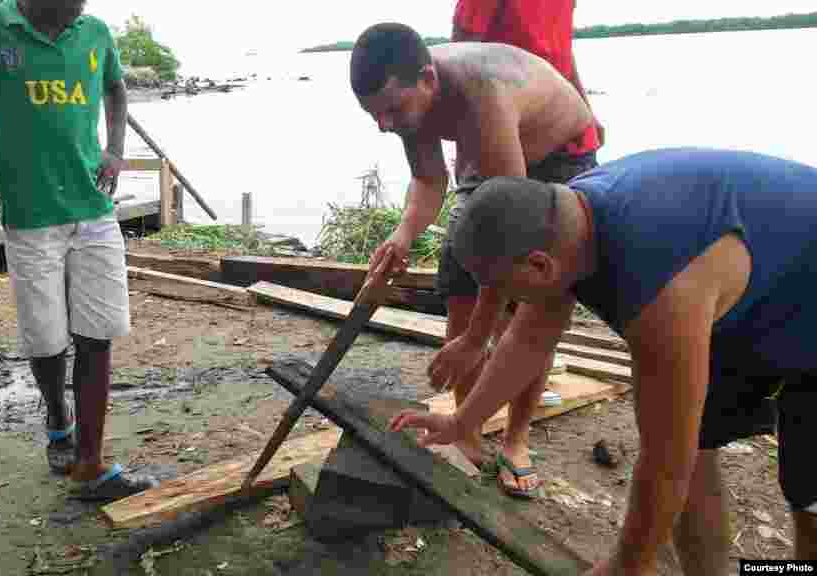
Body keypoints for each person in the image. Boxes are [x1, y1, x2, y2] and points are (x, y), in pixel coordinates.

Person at [390, 147, 817, 574]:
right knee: (699, 447)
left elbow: (665, 460)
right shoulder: (566, 222)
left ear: (539, 266)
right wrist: (463, 422)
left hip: (798, 290)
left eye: (505, 290)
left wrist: (625, 565)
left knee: (808, 495)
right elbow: (527, 339)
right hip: (746, 290)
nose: (508, 304)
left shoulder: (660, 296)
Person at [0, 0, 158, 502]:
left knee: (97, 334)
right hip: (30, 218)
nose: (80, 10)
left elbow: (115, 87)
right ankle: (57, 416)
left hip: (94, 210)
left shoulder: (93, 31)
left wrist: (114, 150)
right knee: (47, 342)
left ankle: (89, 463)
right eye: (70, 4)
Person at [350, 22, 595, 497]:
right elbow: (428, 181)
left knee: (531, 312)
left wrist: (479, 336)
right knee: (458, 280)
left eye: (392, 110)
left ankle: (517, 439)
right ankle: (467, 428)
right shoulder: (407, 104)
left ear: (429, 79)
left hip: (557, 155)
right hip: (493, 161)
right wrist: (401, 236)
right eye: (375, 116)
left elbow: (510, 241)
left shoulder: (482, 93)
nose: (385, 124)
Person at [452, 0, 604, 149]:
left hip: (575, 137)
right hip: (517, 140)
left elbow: (561, 49)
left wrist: (589, 115)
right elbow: (461, 60)